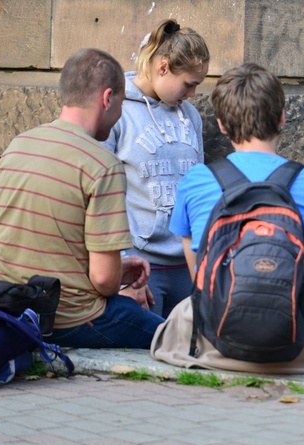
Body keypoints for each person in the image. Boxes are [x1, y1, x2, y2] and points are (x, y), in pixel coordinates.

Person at [152, 62, 304, 373]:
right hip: (299, 347)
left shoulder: (196, 180)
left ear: (221, 124)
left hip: (214, 340)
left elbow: (198, 271)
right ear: (282, 117)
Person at [0, 48, 164, 349]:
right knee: (176, 335)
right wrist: (118, 280)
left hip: (7, 306)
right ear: (108, 99)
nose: (119, 114)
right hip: (66, 319)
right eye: (120, 104)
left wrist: (119, 270)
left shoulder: (17, 146)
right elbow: (104, 282)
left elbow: (45, 250)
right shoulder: (101, 164)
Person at [102, 19, 210, 318]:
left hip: (188, 266)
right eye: (189, 84)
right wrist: (122, 270)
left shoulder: (190, 116)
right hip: (142, 271)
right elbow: (101, 195)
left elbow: (197, 192)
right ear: (163, 67)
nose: (192, 95)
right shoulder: (118, 111)